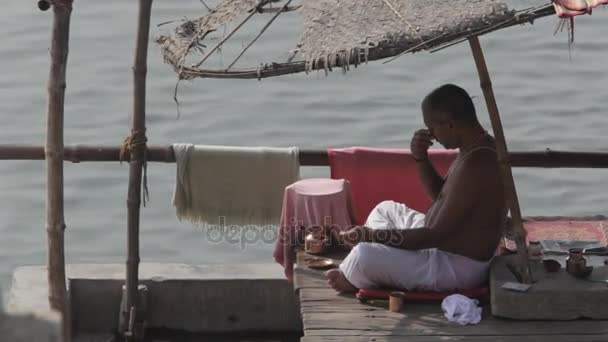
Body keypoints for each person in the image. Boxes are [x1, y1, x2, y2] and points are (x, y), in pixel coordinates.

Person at [326, 84, 507, 293]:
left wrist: (371, 236)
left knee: (364, 255)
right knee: (385, 208)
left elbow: (432, 237)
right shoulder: (474, 147)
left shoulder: (479, 162)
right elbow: (441, 197)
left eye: (432, 128)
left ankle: (354, 275)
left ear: (449, 124)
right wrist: (421, 159)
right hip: (438, 243)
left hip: (456, 266)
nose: (431, 135)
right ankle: (382, 259)